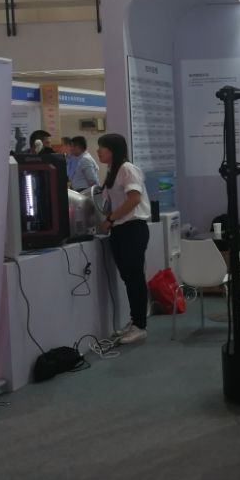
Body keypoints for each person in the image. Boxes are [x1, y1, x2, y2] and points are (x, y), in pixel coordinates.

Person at [96, 133, 151, 344]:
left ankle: (140, 325)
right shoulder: (113, 170)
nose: (98, 151)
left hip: (132, 229)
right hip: (121, 229)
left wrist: (110, 219)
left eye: (102, 147)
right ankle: (135, 320)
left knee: (134, 278)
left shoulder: (127, 169)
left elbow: (134, 199)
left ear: (113, 150)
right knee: (129, 278)